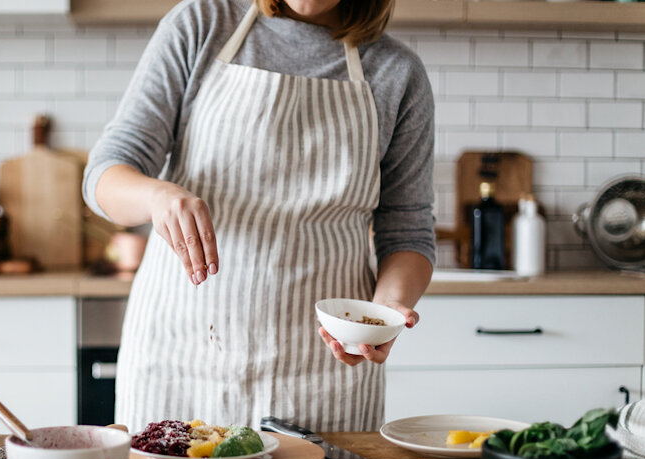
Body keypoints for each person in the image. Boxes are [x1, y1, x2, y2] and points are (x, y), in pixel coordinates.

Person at [82, 0, 435, 433]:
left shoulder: (396, 71)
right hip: (185, 356)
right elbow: (105, 174)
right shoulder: (202, 25)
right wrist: (157, 196)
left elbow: (408, 229)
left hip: (324, 370)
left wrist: (383, 315)